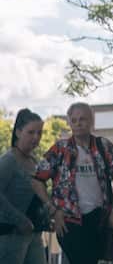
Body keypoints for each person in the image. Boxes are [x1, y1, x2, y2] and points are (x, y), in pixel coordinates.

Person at [32, 103, 113, 264]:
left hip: (98, 218)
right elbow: (37, 180)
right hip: (69, 220)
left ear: (91, 121)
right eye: (73, 120)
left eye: (82, 119)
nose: (78, 123)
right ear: (69, 123)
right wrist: (53, 210)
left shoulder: (103, 145)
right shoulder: (60, 149)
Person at [0, 109, 45, 264]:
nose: (36, 137)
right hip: (11, 234)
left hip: (35, 233)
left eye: (40, 133)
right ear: (18, 132)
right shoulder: (8, 161)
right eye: (31, 132)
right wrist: (20, 220)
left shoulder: (34, 161)